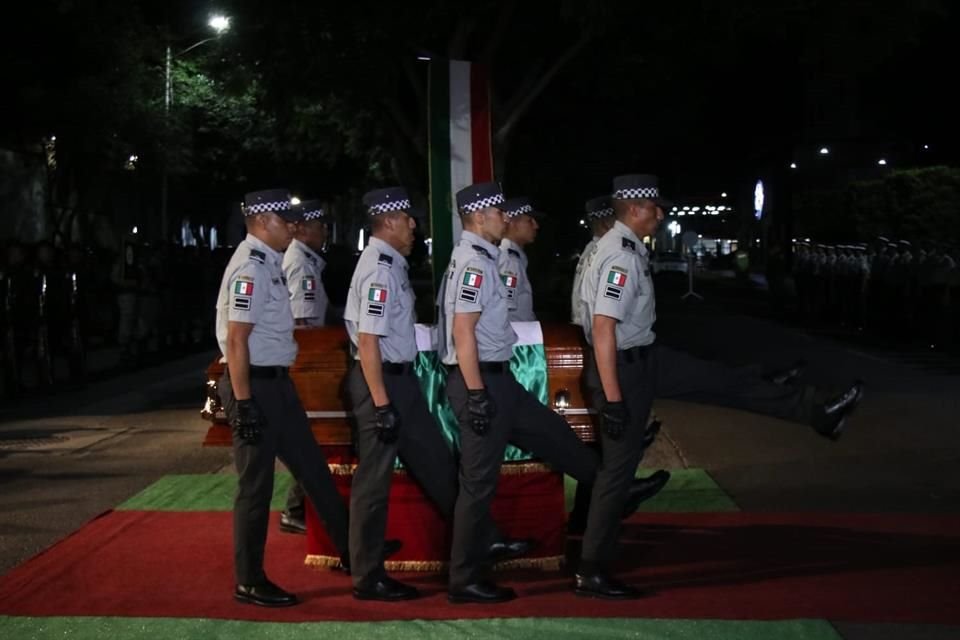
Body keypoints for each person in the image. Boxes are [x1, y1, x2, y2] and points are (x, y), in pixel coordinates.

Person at [577, 174, 866, 599]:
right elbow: (603, 328)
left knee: (721, 380)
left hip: (642, 359)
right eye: (655, 207)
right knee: (616, 473)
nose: (661, 215)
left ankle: (816, 411)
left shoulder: (623, 247)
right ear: (634, 209)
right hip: (621, 371)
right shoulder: (618, 255)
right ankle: (591, 570)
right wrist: (614, 399)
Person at [438, 182, 669, 604]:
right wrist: (475, 394)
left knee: (559, 438)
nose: (505, 218)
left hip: (500, 381)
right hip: (482, 382)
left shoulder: (485, 257)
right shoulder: (473, 262)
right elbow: (462, 331)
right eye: (498, 213)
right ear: (477, 216)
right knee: (478, 485)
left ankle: (615, 490)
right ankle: (464, 579)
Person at [342, 186, 532, 602]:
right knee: (373, 483)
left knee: (438, 465)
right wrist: (380, 404)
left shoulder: (391, 264)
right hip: (382, 383)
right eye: (407, 218)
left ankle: (485, 539)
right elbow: (369, 343)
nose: (413, 225)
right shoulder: (377, 268)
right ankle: (367, 575)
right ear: (389, 221)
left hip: (399, 381)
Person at [215, 188, 351, 608]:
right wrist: (245, 402)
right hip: (254, 385)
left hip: (276, 384)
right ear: (260, 222)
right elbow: (237, 341)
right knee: (255, 488)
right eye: (284, 221)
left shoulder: (269, 263)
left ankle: (355, 552)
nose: (292, 228)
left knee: (312, 467)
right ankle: (250, 580)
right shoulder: (251, 268)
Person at [277, 199, 331, 536]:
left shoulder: (306, 261)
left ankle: (297, 507)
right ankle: (295, 508)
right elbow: (302, 324)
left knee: (311, 441)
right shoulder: (300, 265)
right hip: (307, 365)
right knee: (312, 441)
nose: (324, 231)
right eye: (320, 225)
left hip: (305, 363)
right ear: (302, 228)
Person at [571, 197, 615, 326]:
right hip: (597, 332)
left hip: (586, 327)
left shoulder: (591, 248)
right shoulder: (606, 251)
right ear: (606, 223)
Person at [497, 197, 539, 322]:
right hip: (516, 336)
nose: (536, 226)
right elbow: (505, 309)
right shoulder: (510, 261)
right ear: (512, 222)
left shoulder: (513, 257)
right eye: (530, 221)